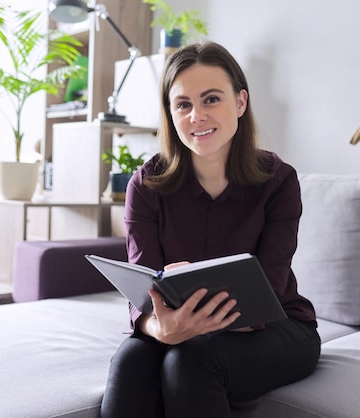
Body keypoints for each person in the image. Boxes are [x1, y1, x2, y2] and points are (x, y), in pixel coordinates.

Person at [100, 41, 320, 418]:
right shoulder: (145, 185)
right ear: (171, 115)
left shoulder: (279, 182)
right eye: (183, 104)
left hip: (278, 329)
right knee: (130, 362)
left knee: (190, 361)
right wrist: (159, 329)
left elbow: (265, 292)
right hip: (177, 327)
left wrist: (188, 328)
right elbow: (143, 293)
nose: (196, 115)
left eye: (211, 99)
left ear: (240, 102)